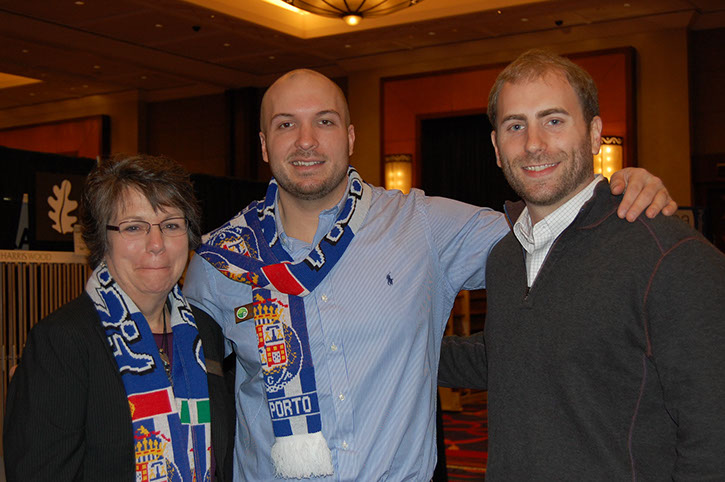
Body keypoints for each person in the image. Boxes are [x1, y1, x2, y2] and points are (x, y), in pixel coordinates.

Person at [183, 68, 676, 481]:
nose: (306, 140)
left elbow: (557, 234)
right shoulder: (220, 261)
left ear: (350, 137)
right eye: (286, 124)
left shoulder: (422, 225)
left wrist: (613, 192)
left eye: (325, 121)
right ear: (264, 144)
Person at [438, 49, 725, 479]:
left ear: (593, 135)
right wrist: (389, 348)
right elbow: (509, 353)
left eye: (554, 121)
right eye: (516, 126)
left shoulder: (669, 256)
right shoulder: (505, 257)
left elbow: (714, 440)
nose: (533, 143)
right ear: (497, 148)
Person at [4, 154, 235, 482]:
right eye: (134, 227)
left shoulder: (206, 330)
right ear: (102, 240)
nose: (156, 244)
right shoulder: (62, 342)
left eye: (171, 225)